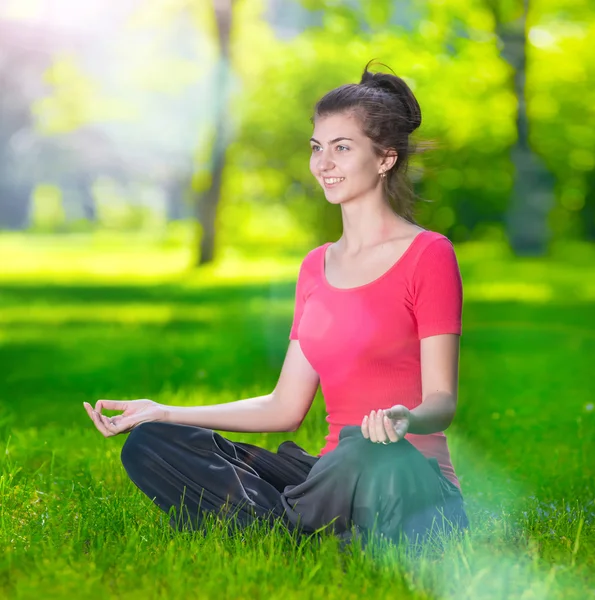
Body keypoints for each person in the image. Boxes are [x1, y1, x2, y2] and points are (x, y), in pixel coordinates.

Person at [84, 59, 469, 550]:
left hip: (404, 480)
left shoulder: (428, 254)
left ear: (385, 159)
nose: (323, 163)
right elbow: (284, 406)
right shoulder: (315, 267)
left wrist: (403, 419)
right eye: (317, 148)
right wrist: (163, 413)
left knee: (361, 449)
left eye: (341, 148)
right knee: (153, 446)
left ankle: (284, 526)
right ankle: (307, 530)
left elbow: (442, 402)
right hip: (327, 478)